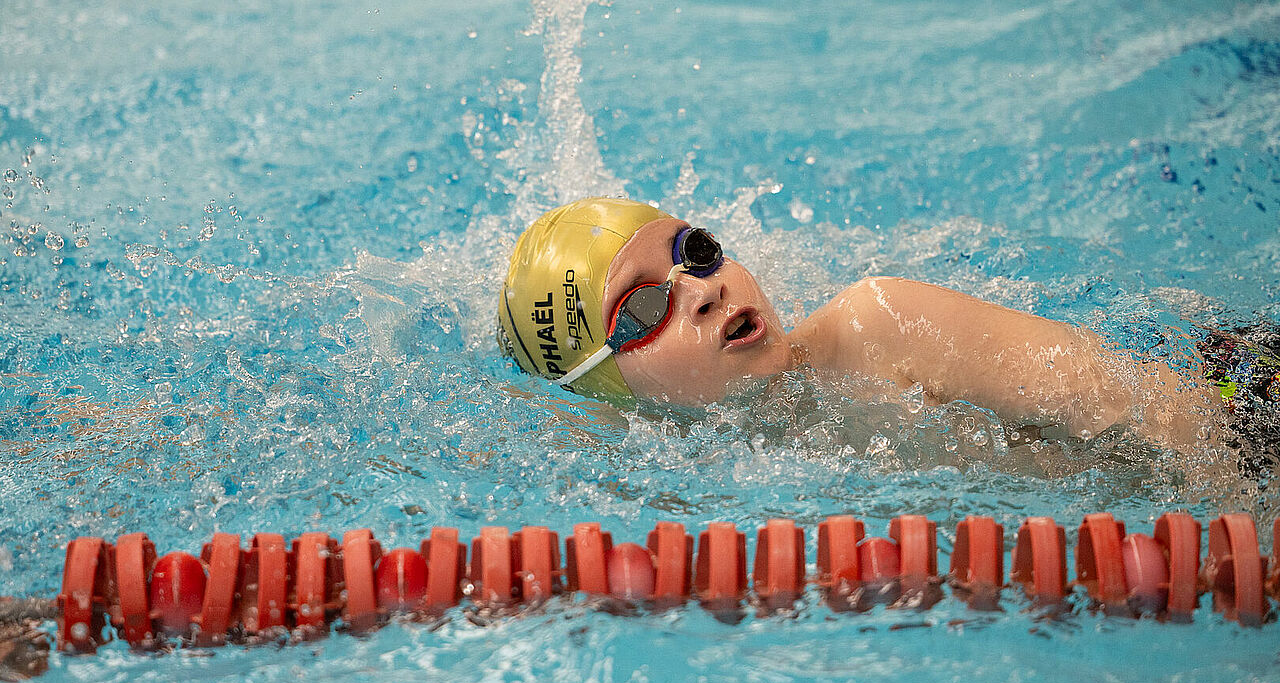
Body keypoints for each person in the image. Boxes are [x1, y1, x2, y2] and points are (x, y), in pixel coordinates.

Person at [498, 197, 1231, 451]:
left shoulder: (886, 324)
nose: (704, 290)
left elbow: (1179, 422)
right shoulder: (650, 479)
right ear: (604, 391)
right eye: (645, 308)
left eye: (696, 252)